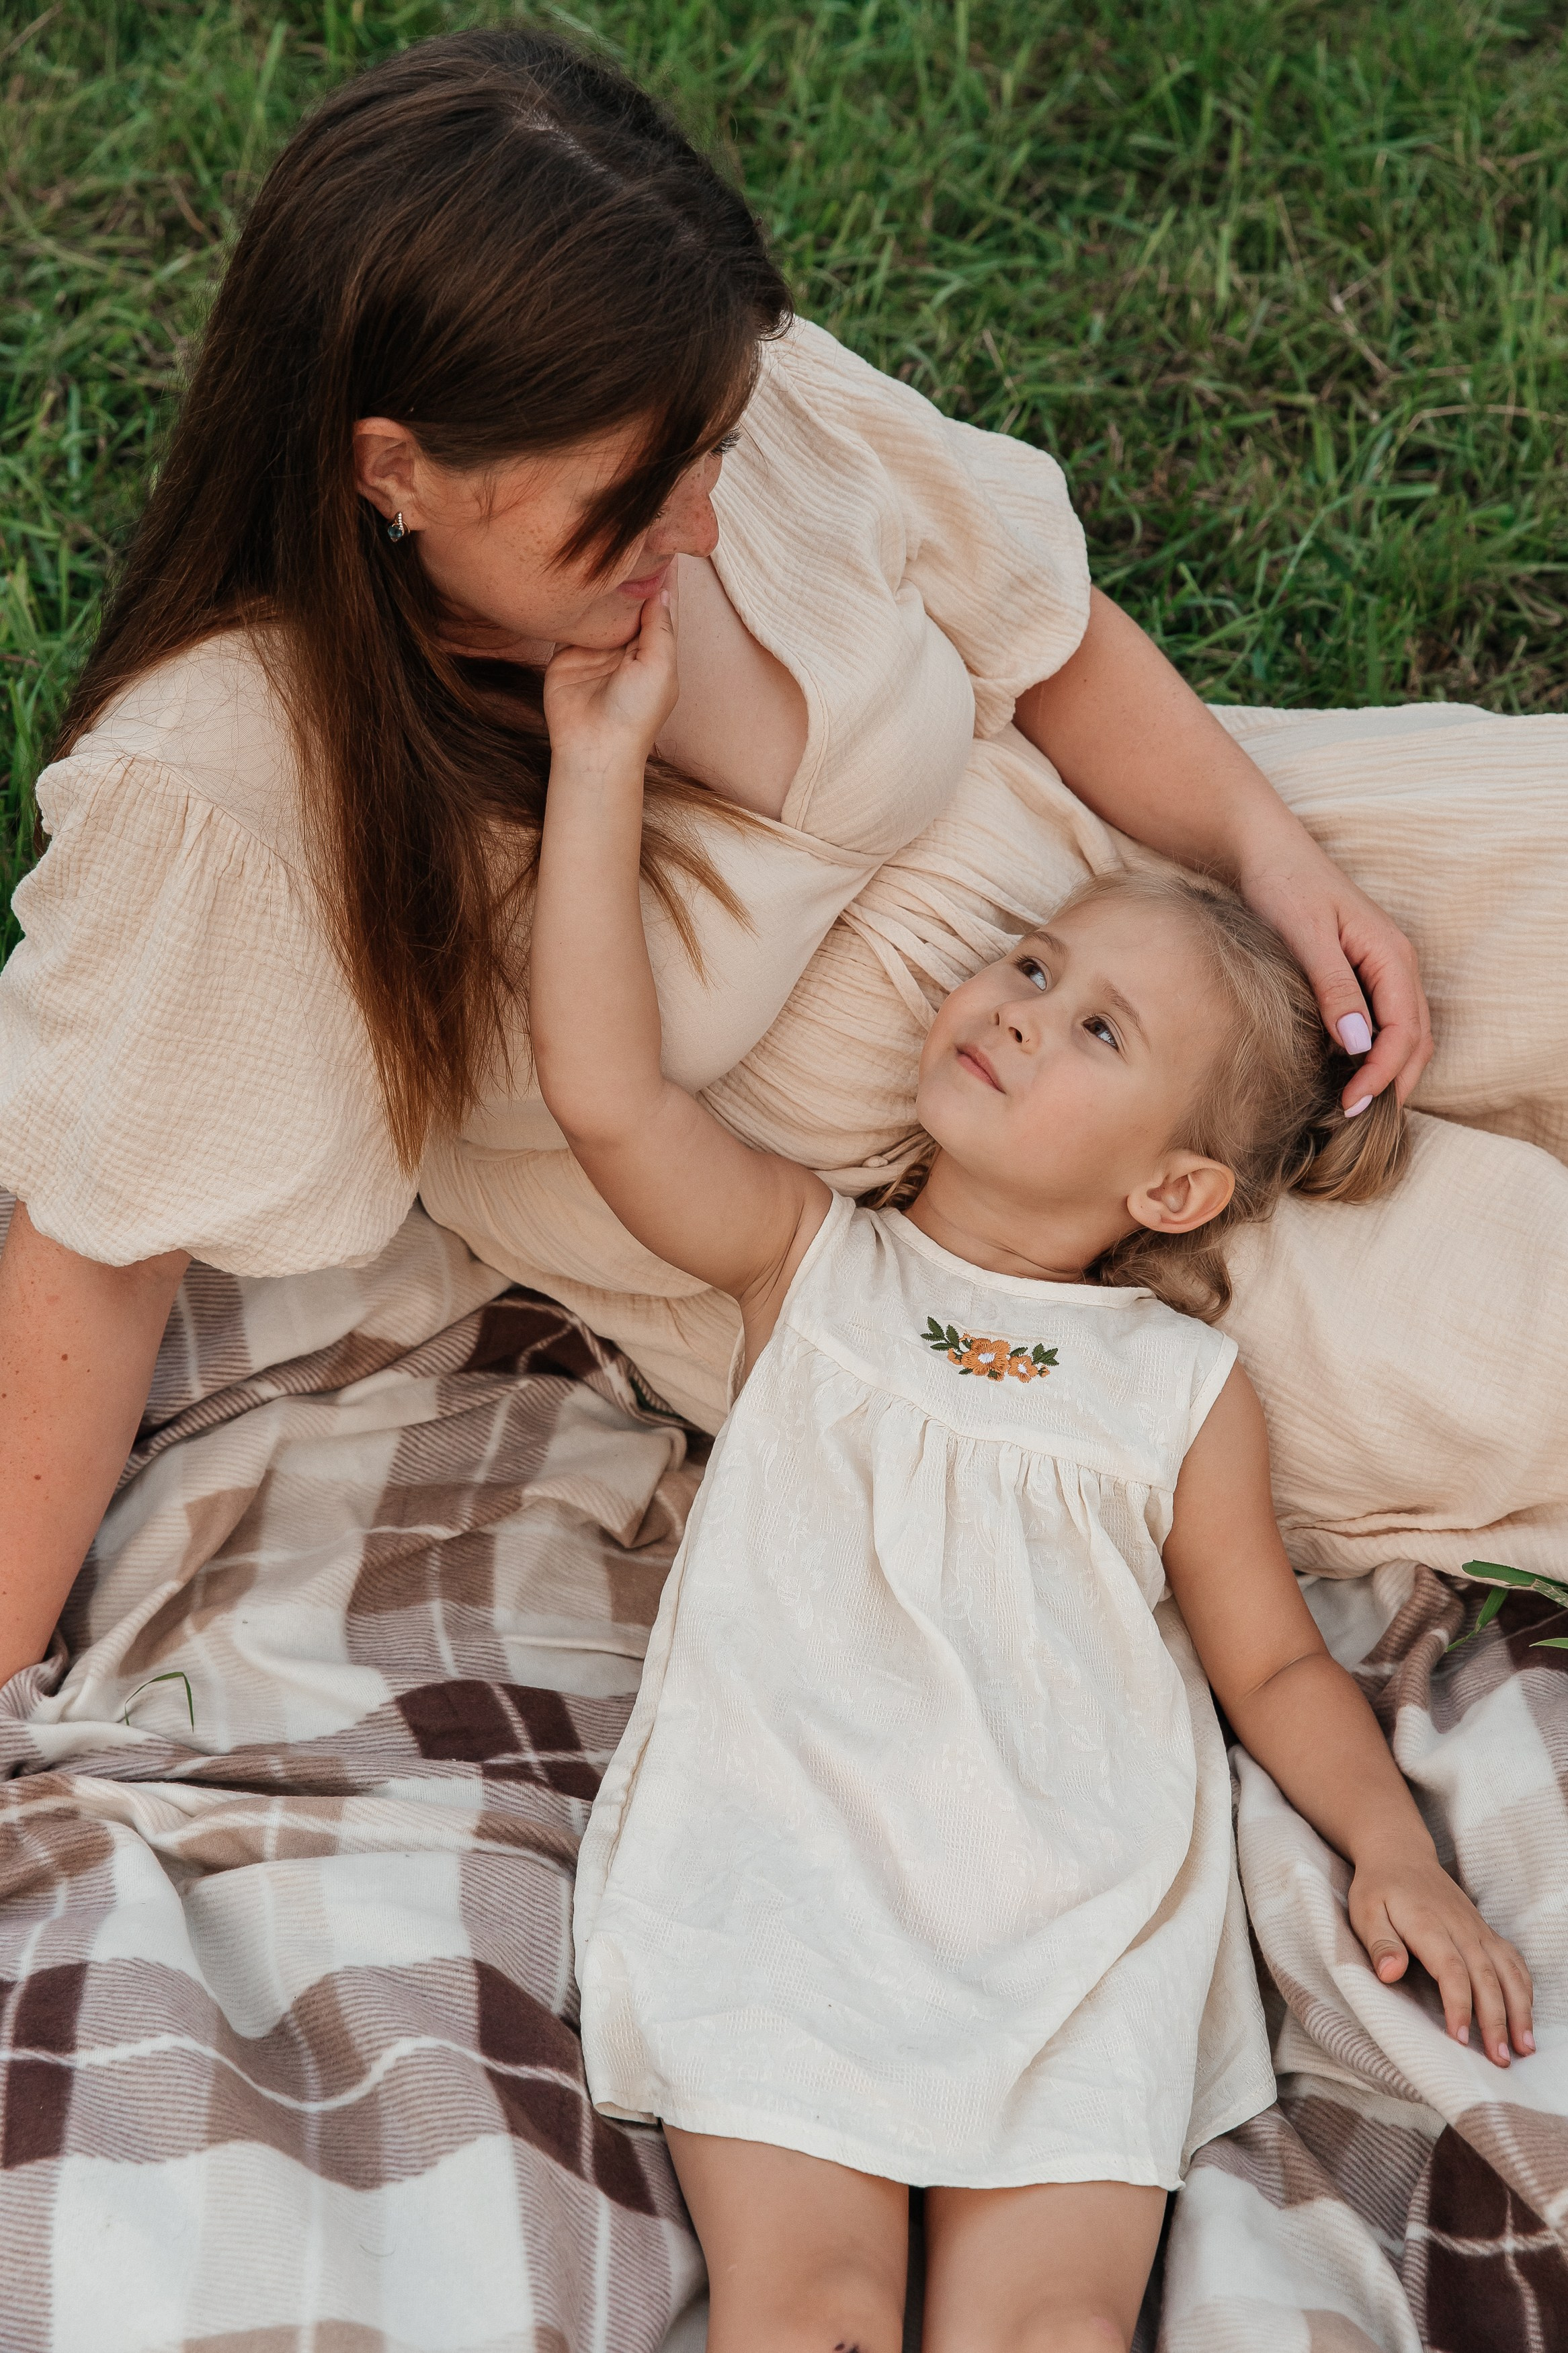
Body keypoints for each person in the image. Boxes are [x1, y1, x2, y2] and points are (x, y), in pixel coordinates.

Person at [2, 22, 1561, 1699]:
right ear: (397, 471)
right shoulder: (232, 783)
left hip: (1116, 878)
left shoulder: (685, 385)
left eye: (716, 453)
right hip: (979, 1223)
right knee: (1520, 1329)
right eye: (632, 496)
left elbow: (1038, 632)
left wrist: (1270, 846)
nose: (704, 524)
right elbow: (97, 1235)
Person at [534, 584, 1534, 2353]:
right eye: (1028, 965)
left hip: (1071, 1909)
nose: (1017, 1007)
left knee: (1049, 2332)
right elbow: (609, 1098)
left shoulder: (1174, 1388)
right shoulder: (809, 1259)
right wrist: (596, 763)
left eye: (1094, 1032)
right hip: (787, 1874)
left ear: (1170, 1191)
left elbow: (1273, 1662)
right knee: (814, 2316)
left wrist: (1389, 1848)